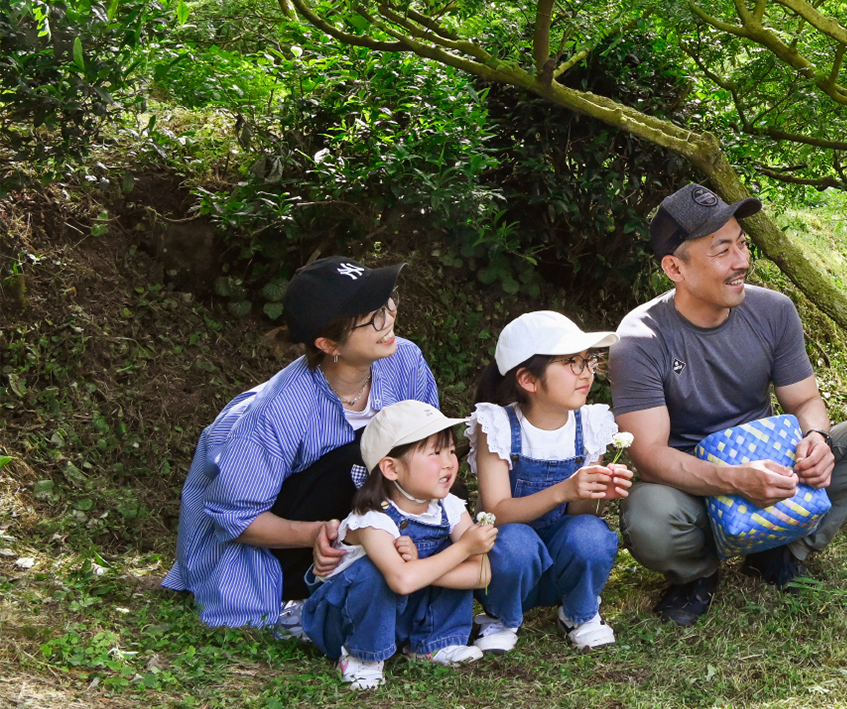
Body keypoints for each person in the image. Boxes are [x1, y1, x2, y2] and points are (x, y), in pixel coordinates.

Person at [611, 183, 847, 627]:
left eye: (743, 243)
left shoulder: (774, 310)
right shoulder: (640, 338)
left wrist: (816, 438)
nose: (742, 262)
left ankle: (781, 550)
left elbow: (805, 399)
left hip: (774, 465)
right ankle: (697, 572)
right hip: (694, 484)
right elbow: (649, 457)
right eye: (722, 250)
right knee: (650, 517)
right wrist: (732, 480)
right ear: (675, 268)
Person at [165, 257, 439, 629]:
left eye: (387, 302)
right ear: (328, 344)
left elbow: (430, 449)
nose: (388, 319)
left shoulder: (405, 360)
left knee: (405, 452)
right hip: (290, 541)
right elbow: (235, 517)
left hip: (368, 525)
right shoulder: (278, 409)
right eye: (372, 317)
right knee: (356, 455)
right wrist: (318, 535)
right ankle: (303, 595)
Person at [465, 310, 632, 653]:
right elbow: (496, 513)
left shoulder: (591, 423)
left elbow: (579, 515)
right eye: (572, 362)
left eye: (589, 361)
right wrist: (564, 489)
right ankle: (500, 616)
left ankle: (578, 612)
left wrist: (596, 491)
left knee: (591, 533)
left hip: (558, 564)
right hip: (509, 565)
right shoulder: (497, 425)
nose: (586, 373)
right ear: (528, 380)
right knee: (513, 541)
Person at [300, 400, 497, 690]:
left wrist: (426, 566)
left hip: (399, 618)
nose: (449, 463)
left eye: (451, 451)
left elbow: (482, 574)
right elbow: (402, 581)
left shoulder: (449, 507)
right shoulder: (371, 520)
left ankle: (434, 643)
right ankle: (361, 656)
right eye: (435, 453)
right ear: (391, 468)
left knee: (445, 557)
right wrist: (462, 549)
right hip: (343, 623)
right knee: (374, 572)